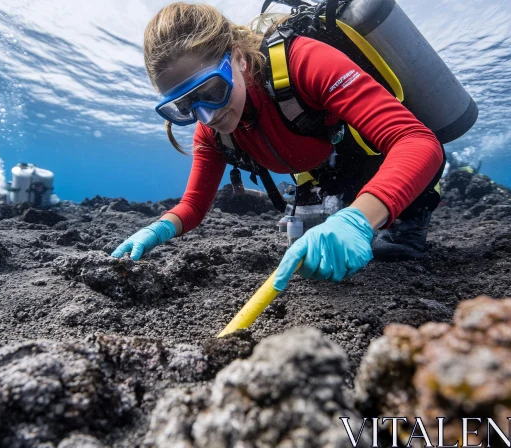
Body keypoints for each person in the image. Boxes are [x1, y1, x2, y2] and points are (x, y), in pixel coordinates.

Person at [112, 3, 445, 291]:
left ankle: (409, 219)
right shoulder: (211, 132)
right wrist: (157, 229)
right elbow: (194, 206)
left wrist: (357, 219)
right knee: (320, 214)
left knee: (395, 214)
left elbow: (417, 141)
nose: (207, 115)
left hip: (372, 155)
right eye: (186, 106)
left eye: (212, 91)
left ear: (239, 60)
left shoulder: (303, 61)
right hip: (322, 171)